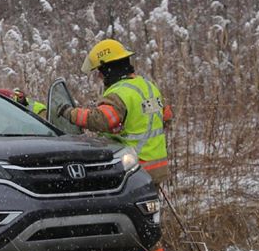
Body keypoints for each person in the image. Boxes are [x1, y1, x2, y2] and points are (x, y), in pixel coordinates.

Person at [56, 39, 173, 185]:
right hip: (158, 166)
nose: (100, 76)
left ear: (109, 68)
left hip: (134, 168)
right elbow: (166, 117)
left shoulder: (120, 93)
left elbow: (100, 120)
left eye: (101, 71)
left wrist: (69, 112)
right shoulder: (148, 86)